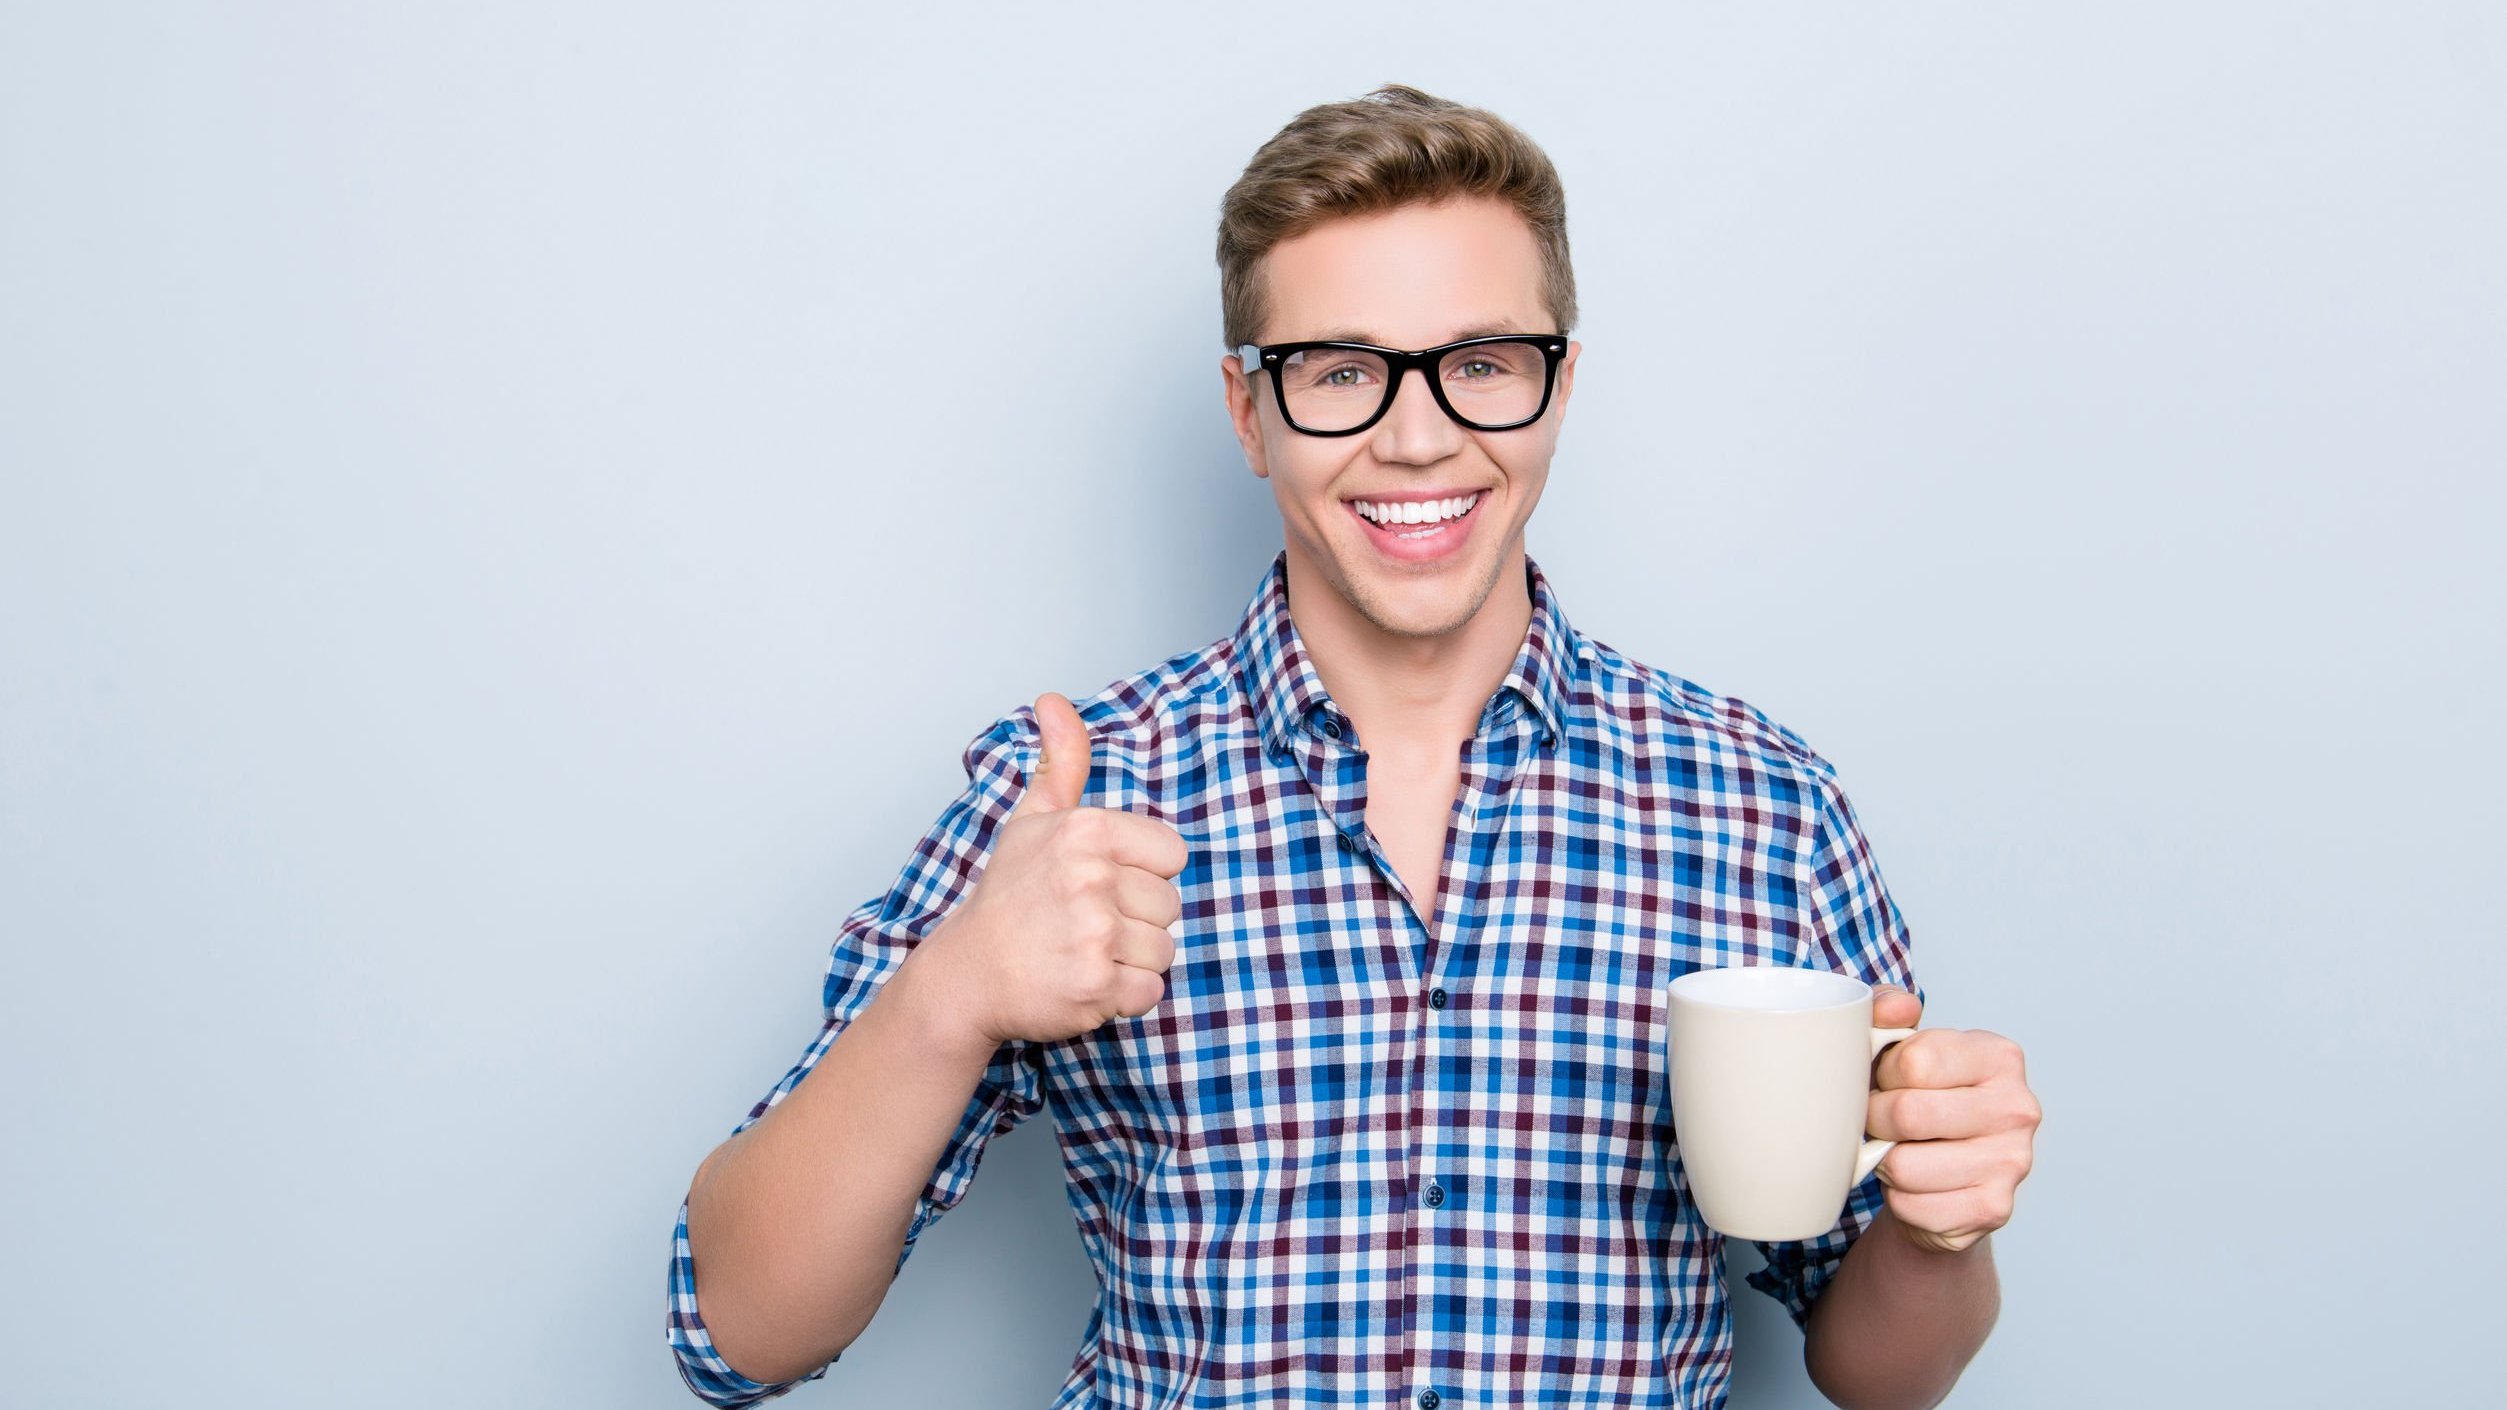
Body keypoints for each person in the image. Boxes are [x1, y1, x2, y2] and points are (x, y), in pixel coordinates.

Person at [666, 83, 2040, 1410]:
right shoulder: (1078, 795)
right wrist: (949, 992)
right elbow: (735, 1332)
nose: (1420, 435)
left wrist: (1936, 1232)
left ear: (1561, 387)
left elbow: (1882, 1371)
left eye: (1484, 364)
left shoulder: (1760, 802)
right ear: (1247, 409)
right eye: (1339, 372)